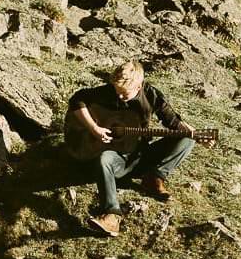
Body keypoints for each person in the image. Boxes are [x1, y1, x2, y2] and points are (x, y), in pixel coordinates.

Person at [65, 61, 195, 237]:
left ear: (138, 86)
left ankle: (153, 178)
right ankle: (111, 215)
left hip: (139, 154)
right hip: (116, 158)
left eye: (124, 95)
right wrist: (94, 128)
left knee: (187, 139)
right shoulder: (107, 91)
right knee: (104, 158)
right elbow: (76, 100)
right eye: (117, 92)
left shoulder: (150, 94)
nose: (119, 97)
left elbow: (172, 121)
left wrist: (196, 135)